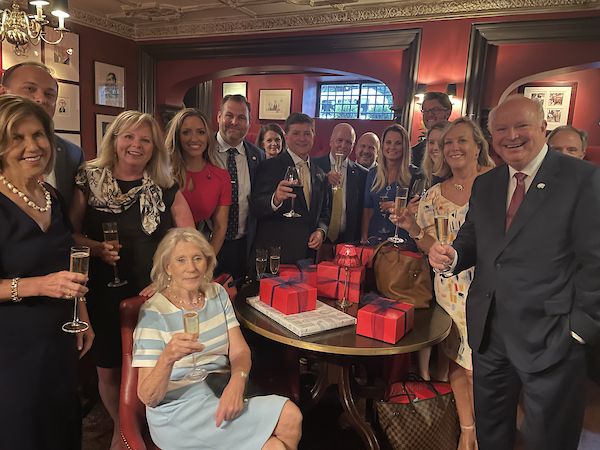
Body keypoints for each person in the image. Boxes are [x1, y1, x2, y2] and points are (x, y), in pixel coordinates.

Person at [429, 96, 600, 450]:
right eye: (501, 129)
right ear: (492, 138)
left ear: (542, 128)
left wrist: (580, 330)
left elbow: (596, 261)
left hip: (552, 336)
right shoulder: (487, 183)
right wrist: (452, 255)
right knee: (492, 431)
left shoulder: (582, 178)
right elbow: (472, 238)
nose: (511, 136)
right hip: (489, 333)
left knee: (546, 439)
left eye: (521, 126)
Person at [70, 111, 195, 449]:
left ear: (155, 148)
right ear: (114, 139)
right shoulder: (89, 179)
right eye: (129, 137)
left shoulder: (166, 186)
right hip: (101, 291)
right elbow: (71, 235)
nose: (136, 145)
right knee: (109, 369)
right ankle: (120, 425)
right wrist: (97, 249)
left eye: (145, 140)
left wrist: (166, 283)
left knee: (151, 366)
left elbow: (188, 240)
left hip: (151, 293)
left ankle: (146, 424)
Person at [133, 228, 303, 449]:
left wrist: (237, 381)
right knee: (277, 443)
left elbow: (240, 352)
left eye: (197, 258)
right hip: (178, 410)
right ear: (168, 267)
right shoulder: (153, 313)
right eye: (181, 260)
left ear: (207, 261)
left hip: (218, 389)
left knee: (291, 418)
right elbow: (148, 397)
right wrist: (167, 359)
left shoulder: (217, 294)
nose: (191, 268)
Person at [392, 117, 495, 450]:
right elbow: (428, 243)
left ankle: (488, 431)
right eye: (447, 143)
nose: (453, 148)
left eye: (462, 141)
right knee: (454, 361)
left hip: (488, 288)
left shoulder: (497, 185)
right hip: (448, 291)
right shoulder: (434, 195)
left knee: (478, 368)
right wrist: (413, 228)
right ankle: (467, 431)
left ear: (478, 146)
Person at [0, 95, 93, 449]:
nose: (32, 146)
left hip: (57, 335)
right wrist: (38, 285)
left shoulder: (50, 195)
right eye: (16, 138)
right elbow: (48, 280)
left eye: (38, 135)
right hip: (11, 346)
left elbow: (69, 259)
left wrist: (82, 314)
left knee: (63, 425)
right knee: (22, 432)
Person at [0, 61, 85, 208]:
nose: (41, 99)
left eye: (49, 94)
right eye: (29, 88)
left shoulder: (73, 154)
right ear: (2, 92)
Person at [251, 112, 330, 264]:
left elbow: (325, 211)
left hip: (307, 257)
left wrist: (321, 231)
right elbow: (255, 207)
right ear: (286, 137)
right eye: (296, 133)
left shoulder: (320, 174)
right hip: (276, 256)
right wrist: (274, 199)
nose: (302, 138)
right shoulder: (268, 166)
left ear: (313, 136)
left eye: (307, 133)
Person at [214, 95, 265, 285]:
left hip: (244, 245)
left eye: (241, 117)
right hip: (206, 244)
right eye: (229, 115)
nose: (234, 122)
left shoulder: (259, 157)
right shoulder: (202, 151)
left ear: (249, 122)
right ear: (219, 116)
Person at [166, 108, 231, 255]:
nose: (194, 138)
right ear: (177, 136)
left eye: (200, 132)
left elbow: (220, 228)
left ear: (208, 136)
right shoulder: (163, 175)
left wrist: (206, 261)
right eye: (186, 132)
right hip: (164, 254)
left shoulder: (221, 176)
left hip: (200, 253)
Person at [361, 124, 421, 243]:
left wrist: (399, 208)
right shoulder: (373, 173)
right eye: (388, 142)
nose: (392, 147)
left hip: (403, 240)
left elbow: (420, 212)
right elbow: (368, 209)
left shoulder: (416, 175)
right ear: (383, 146)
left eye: (398, 143)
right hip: (375, 239)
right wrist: (364, 238)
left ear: (405, 147)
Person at [313, 123, 368, 243]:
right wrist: (324, 180)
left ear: (353, 146)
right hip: (316, 237)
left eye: (348, 142)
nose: (343, 145)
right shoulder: (313, 166)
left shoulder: (362, 174)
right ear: (331, 141)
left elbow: (364, 211)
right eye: (339, 140)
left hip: (348, 240)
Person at [412, 92, 452, 168]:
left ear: (448, 113)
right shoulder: (414, 152)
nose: (430, 114)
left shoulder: (455, 147)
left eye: (436, 110)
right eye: (426, 110)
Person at [421, 120, 450, 188]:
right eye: (431, 142)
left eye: (440, 142)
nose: (435, 148)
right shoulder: (422, 178)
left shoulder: (457, 180)